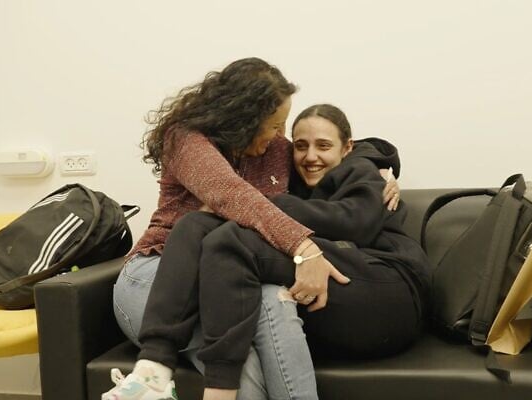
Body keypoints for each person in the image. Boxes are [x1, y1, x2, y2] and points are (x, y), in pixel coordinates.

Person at [107, 56, 400, 399]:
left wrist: (374, 166)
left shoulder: (274, 150)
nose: (280, 134)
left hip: (227, 275)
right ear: (244, 119)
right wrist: (304, 248)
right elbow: (232, 196)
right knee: (241, 362)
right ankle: (151, 379)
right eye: (274, 125)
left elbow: (327, 149)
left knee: (274, 299)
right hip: (159, 274)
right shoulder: (186, 140)